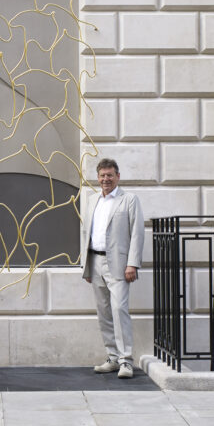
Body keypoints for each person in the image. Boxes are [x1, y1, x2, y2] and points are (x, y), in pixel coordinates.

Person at [81, 158, 144, 379]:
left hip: (118, 264)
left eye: (110, 175)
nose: (106, 179)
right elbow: (85, 233)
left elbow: (137, 233)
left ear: (118, 176)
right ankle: (112, 357)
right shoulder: (91, 200)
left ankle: (126, 360)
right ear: (97, 178)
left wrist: (132, 264)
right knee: (104, 312)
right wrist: (87, 266)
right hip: (95, 262)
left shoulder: (129, 200)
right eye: (102, 175)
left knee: (119, 311)